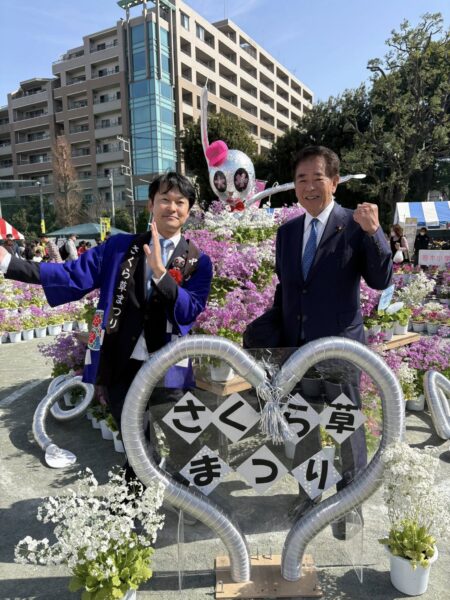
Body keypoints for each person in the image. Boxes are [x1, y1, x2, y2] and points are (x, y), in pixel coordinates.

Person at [244, 145, 393, 537]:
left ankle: (350, 503)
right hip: (296, 350)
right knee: (303, 425)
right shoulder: (287, 233)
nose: (309, 187)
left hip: (340, 349)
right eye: (301, 179)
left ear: (335, 182)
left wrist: (375, 234)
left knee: (346, 428)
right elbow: (288, 290)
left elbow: (380, 279)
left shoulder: (354, 225)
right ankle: (308, 494)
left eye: (317, 178)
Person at [0, 171, 213, 440]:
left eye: (180, 202)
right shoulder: (118, 248)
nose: (172, 207)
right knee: (132, 438)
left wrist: (161, 274)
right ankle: (134, 469)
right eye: (164, 199)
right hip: (120, 361)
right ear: (151, 204)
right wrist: (9, 263)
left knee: (179, 440)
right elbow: (71, 275)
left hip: (171, 367)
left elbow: (190, 310)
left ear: (188, 210)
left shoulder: (198, 261)